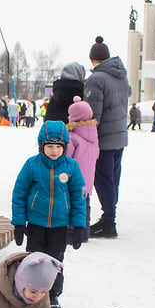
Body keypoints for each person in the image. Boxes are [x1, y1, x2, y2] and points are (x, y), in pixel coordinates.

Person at [11, 120, 86, 308]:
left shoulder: (71, 167)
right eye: (49, 146)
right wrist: (19, 223)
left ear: (65, 147)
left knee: (54, 261)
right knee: (33, 259)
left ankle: (51, 295)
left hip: (59, 226)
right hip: (35, 224)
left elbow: (78, 196)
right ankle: (27, 290)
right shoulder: (32, 165)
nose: (54, 151)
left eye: (58, 147)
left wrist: (79, 225)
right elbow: (19, 193)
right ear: (42, 146)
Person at [84, 36, 129, 238]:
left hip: (104, 138)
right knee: (113, 179)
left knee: (102, 179)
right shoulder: (121, 75)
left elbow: (94, 114)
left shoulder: (96, 79)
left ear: (92, 59)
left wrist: (87, 137)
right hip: (120, 135)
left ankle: (108, 222)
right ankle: (110, 217)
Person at [66, 96, 99, 243]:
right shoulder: (93, 135)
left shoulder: (72, 137)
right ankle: (84, 233)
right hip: (88, 179)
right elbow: (96, 154)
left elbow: (66, 158)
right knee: (84, 205)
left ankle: (71, 233)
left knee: (71, 206)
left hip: (73, 179)